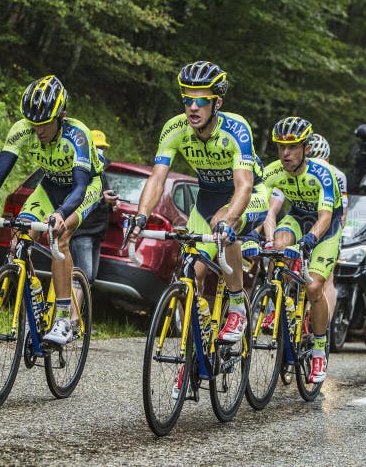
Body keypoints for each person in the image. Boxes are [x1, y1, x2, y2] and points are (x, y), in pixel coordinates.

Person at [0, 75, 104, 345]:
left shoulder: (77, 134)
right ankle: (35, 298)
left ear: (61, 115)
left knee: (60, 236)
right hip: (48, 186)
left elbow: (81, 186)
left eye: (44, 123)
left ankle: (63, 317)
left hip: (82, 189)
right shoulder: (22, 129)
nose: (38, 130)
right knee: (19, 240)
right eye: (33, 123)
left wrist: (61, 213)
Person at [130, 61, 268, 343]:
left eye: (201, 101)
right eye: (187, 100)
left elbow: (244, 185)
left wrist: (229, 220)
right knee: (188, 274)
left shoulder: (237, 128)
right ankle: (195, 351)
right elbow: (157, 179)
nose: (193, 107)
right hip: (206, 199)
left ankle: (238, 308)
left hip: (248, 196)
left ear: (217, 103)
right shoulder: (174, 128)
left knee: (222, 223)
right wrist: (140, 216)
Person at [262, 117, 344, 383]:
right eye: (281, 147)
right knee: (280, 246)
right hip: (297, 217)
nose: (285, 153)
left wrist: (310, 239)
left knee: (313, 287)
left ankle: (319, 348)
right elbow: (259, 205)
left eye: (293, 147)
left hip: (325, 228)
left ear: (306, 148)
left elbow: (326, 216)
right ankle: (279, 304)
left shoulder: (323, 173)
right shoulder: (274, 171)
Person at [69, 130, 119, 284]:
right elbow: (77, 197)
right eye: (97, 147)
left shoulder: (100, 171)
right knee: (81, 278)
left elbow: (104, 195)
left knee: (89, 279)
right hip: (83, 231)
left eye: (102, 148)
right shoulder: (80, 170)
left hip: (96, 233)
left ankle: (78, 308)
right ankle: (69, 309)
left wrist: (112, 203)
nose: (100, 151)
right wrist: (102, 199)